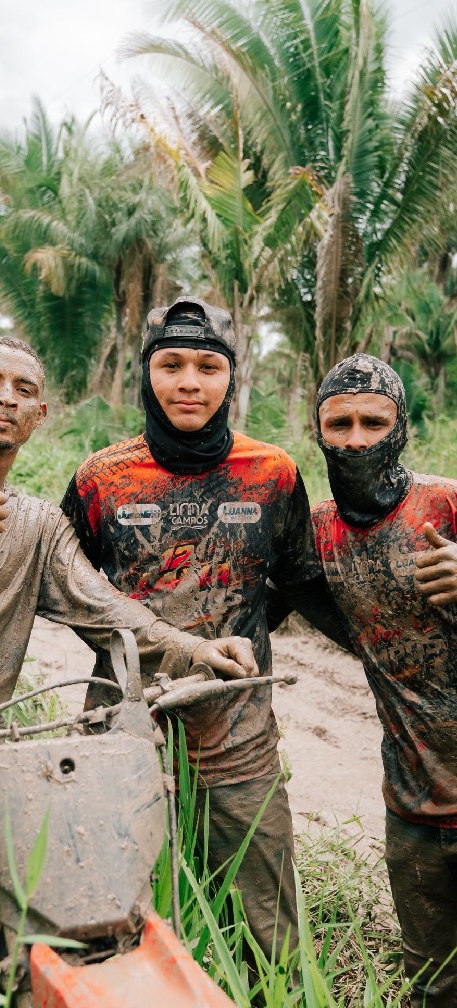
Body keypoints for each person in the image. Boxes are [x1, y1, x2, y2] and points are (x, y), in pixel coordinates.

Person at [0, 334, 258, 952]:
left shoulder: (37, 522)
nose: (6, 398)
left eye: (24, 390)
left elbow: (109, 610)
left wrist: (197, 649)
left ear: (40, 415)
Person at [61, 297, 326, 963]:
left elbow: (300, 579)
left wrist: (244, 630)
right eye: (171, 364)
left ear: (231, 377)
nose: (189, 382)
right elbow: (71, 589)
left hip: (237, 733)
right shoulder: (102, 478)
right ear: (145, 372)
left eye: (208, 366)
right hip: (125, 725)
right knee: (108, 913)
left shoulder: (271, 473)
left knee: (268, 932)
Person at [287, 353, 457, 1008]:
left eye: (373, 422)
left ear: (402, 426)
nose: (356, 439)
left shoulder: (445, 506)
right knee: (434, 982)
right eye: (340, 424)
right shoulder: (318, 533)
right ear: (319, 432)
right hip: (413, 808)